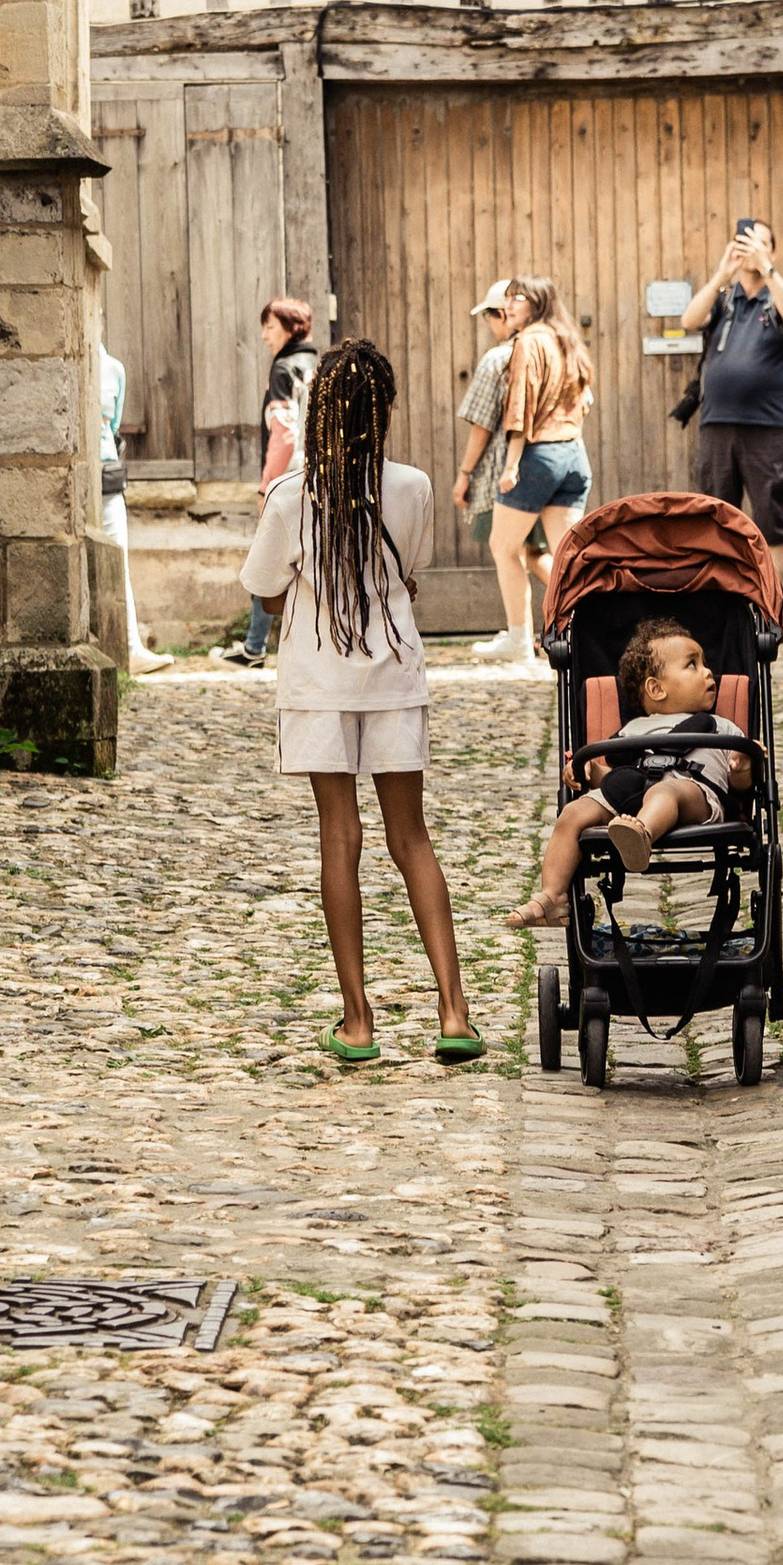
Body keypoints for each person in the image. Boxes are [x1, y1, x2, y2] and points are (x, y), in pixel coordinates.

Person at [240, 338, 483, 1071]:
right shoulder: (411, 486)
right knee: (412, 838)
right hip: (392, 675)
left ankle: (358, 1020)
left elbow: (266, 590)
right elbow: (411, 572)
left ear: (320, 413)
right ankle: (453, 1010)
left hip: (319, 683)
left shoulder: (292, 495)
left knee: (339, 838)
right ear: (384, 413)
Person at [508, 618, 749, 928]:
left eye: (705, 663)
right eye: (692, 665)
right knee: (573, 812)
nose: (707, 671)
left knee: (665, 792)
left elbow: (742, 783)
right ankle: (553, 898)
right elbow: (610, 778)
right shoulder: (631, 731)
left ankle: (642, 835)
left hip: (692, 794)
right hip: (632, 794)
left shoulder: (722, 726)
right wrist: (587, 768)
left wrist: (744, 763)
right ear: (656, 688)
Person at [680, 217, 783, 546]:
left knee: (770, 528)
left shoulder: (779, 297)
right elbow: (689, 320)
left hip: (766, 429)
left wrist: (767, 270)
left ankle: (772, 600)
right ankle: (725, 600)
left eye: (760, 241)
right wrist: (723, 272)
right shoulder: (723, 300)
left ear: (773, 252)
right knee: (716, 525)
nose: (750, 248)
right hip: (717, 427)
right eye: (744, 241)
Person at [490, 274, 592, 671]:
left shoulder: (528, 342)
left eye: (519, 299)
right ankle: (589, 626)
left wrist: (512, 463)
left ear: (539, 304)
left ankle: (518, 638)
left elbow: (520, 406)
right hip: (574, 455)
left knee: (503, 547)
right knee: (566, 558)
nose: (510, 305)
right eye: (509, 299)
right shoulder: (567, 340)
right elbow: (587, 398)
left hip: (540, 456)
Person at [231, 295, 318, 668]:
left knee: (267, 559)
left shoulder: (283, 368)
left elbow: (282, 433)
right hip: (318, 473)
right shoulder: (317, 363)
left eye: (269, 326)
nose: (264, 335)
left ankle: (254, 647)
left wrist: (267, 485)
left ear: (289, 327)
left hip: (289, 477)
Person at [453, 277, 530, 661]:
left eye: (489, 318)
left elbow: (482, 425)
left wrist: (464, 474)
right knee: (532, 552)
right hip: (546, 464)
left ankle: (521, 637)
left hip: (507, 470)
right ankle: (528, 634)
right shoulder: (547, 349)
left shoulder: (498, 358)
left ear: (503, 315)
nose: (489, 326)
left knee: (507, 549)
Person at [98, 345, 169, 676]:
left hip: (107, 474)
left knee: (118, 556)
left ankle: (129, 648)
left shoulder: (114, 368)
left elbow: (113, 428)